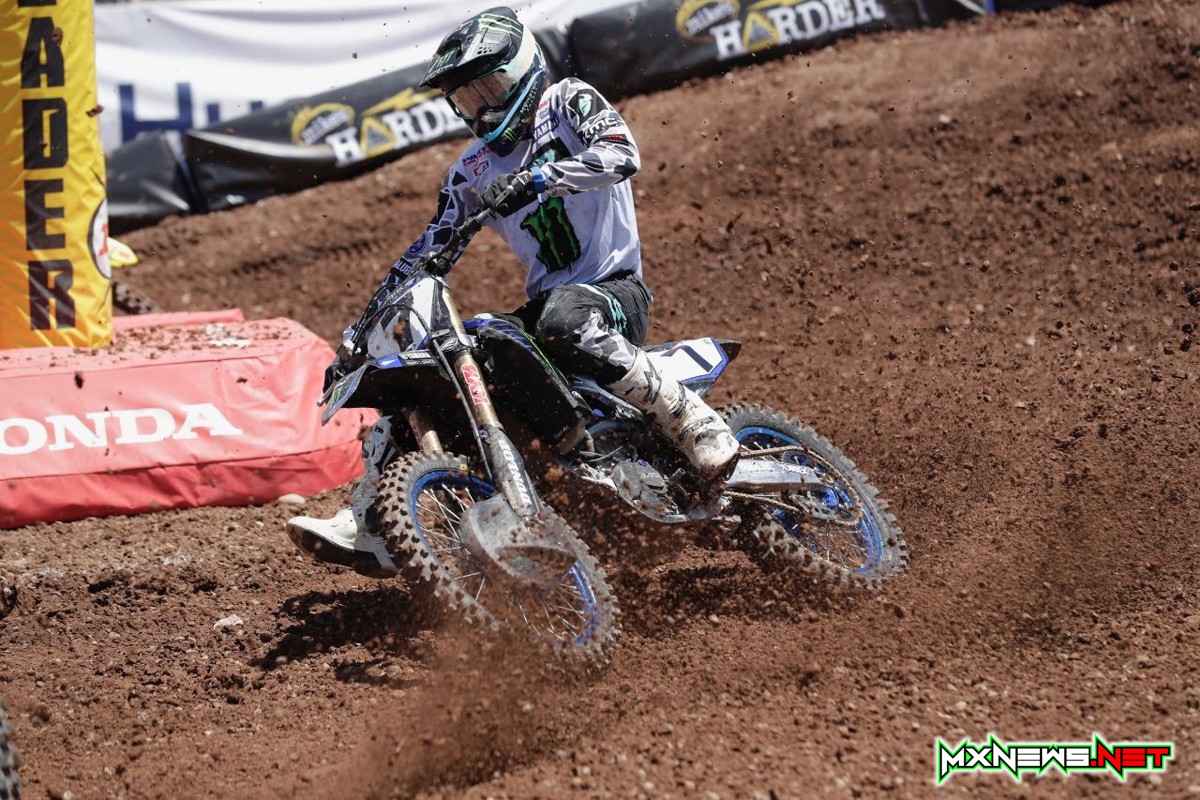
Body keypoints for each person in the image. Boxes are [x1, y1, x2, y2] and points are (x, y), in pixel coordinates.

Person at [287, 6, 740, 577]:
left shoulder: (567, 102)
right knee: (459, 358)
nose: (483, 109)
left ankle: (692, 421)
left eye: (491, 88)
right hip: (548, 310)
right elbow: (427, 252)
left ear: (524, 68)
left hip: (612, 292)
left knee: (561, 319)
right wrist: (357, 337)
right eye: (467, 99)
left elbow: (622, 154)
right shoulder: (470, 171)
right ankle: (373, 522)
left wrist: (540, 178)